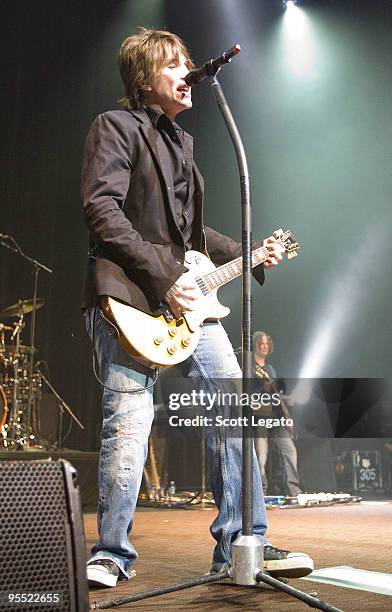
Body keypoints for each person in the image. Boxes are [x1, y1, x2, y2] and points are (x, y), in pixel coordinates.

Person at [81, 28, 313, 588]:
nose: (187, 72)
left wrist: (248, 253)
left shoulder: (184, 144)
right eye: (174, 64)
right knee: (130, 424)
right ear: (143, 78)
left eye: (189, 62)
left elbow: (190, 236)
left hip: (189, 307)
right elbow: (102, 210)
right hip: (131, 299)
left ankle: (244, 544)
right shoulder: (115, 127)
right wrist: (164, 278)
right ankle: (112, 552)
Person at [253, 331, 303, 497]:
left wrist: (287, 399)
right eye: (262, 343)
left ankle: (294, 490)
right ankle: (260, 493)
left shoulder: (270, 369)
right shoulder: (249, 368)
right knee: (261, 456)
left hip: (275, 418)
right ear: (255, 345)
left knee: (290, 450)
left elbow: (274, 394)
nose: (265, 346)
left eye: (267, 343)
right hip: (258, 418)